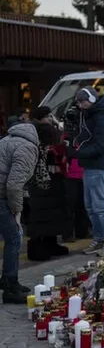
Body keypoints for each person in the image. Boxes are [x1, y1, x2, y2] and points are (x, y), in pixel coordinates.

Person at [69, 86, 104, 255]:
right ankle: (99, 239)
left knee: (100, 205)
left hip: (100, 165)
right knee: (91, 206)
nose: (80, 105)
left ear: (91, 100)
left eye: (82, 101)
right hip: (90, 164)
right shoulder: (92, 115)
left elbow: (102, 145)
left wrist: (77, 153)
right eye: (78, 101)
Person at [0, 123, 38, 303]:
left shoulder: (7, 140)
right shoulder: (27, 148)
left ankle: (8, 280)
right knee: (14, 238)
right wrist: (17, 211)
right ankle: (10, 286)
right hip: (1, 196)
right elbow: (14, 185)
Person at [27, 108, 69, 261]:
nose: (51, 119)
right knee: (41, 213)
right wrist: (57, 125)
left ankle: (51, 243)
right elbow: (56, 138)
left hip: (50, 176)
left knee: (53, 212)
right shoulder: (39, 130)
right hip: (41, 177)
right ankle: (37, 247)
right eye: (48, 116)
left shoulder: (41, 129)